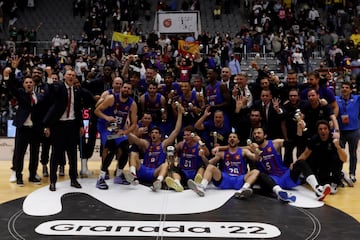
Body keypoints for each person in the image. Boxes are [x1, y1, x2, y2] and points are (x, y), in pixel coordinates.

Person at [250, 127, 331, 202]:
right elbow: (238, 149)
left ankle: (318, 189)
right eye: (255, 133)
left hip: (285, 176)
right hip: (272, 181)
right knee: (260, 174)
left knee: (301, 162)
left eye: (259, 133)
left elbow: (294, 142)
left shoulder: (275, 143)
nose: (256, 135)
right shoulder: (251, 149)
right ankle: (279, 192)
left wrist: (299, 129)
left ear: (265, 135)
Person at [124, 103, 184, 191]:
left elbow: (176, 131)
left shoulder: (163, 144)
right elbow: (134, 138)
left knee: (166, 164)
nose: (154, 134)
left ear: (160, 135)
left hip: (155, 172)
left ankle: (158, 181)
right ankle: (133, 174)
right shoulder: (146, 144)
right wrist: (125, 127)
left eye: (156, 133)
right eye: (152, 133)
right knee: (133, 153)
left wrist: (180, 114)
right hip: (143, 170)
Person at [43, 69, 84, 191]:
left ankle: (73, 179)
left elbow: (78, 110)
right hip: (58, 126)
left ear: (75, 77)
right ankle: (52, 181)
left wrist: (81, 125)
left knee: (72, 155)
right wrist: (49, 76)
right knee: (55, 154)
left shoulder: (77, 91)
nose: (71, 77)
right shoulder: (59, 87)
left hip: (72, 126)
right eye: (69, 75)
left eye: (73, 75)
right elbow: (51, 89)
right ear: (64, 77)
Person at [4, 66, 45, 186]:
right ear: (23, 84)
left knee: (34, 153)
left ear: (33, 84)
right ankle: (18, 176)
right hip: (23, 129)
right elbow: (11, 87)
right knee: (19, 153)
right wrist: (11, 71)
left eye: (30, 82)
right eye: (26, 82)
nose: (28, 84)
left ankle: (32, 175)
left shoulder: (39, 96)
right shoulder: (21, 93)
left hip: (35, 129)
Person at [187, 132, 260, 199]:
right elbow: (208, 164)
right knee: (210, 167)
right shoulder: (222, 153)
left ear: (238, 141)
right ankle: (202, 187)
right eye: (230, 137)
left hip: (239, 179)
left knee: (256, 172)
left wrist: (256, 151)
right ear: (228, 141)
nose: (232, 138)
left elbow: (256, 158)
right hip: (225, 179)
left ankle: (243, 189)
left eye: (234, 137)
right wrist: (203, 156)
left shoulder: (244, 151)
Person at [94, 81, 138, 190]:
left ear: (131, 91)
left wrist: (125, 132)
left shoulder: (132, 104)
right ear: (121, 88)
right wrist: (107, 117)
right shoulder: (111, 98)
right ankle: (101, 178)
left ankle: (118, 176)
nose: (126, 90)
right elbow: (96, 111)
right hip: (105, 127)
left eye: (128, 88)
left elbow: (134, 124)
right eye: (124, 87)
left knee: (125, 147)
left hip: (118, 130)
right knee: (110, 147)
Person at [164, 125, 210, 192]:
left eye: (188, 135)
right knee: (174, 169)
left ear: (193, 135)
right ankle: (177, 184)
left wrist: (200, 141)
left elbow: (207, 153)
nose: (185, 137)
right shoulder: (182, 144)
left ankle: (197, 183)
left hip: (195, 172)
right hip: (184, 172)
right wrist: (171, 152)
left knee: (202, 167)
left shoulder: (199, 145)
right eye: (184, 135)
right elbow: (173, 149)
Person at [336, 82, 360, 183]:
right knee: (339, 153)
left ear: (351, 90)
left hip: (354, 130)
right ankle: (338, 173)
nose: (344, 89)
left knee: (353, 153)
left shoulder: (357, 99)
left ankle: (352, 173)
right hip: (341, 131)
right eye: (343, 87)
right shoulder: (336, 99)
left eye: (347, 87)